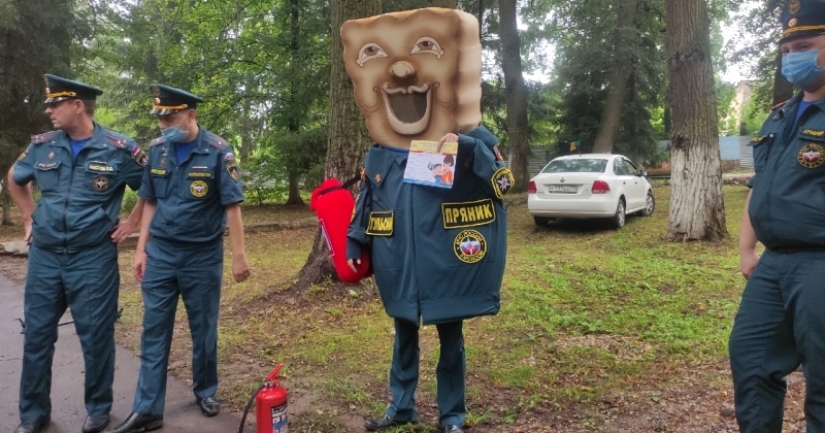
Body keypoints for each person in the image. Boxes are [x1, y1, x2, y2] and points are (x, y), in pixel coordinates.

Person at [340, 8, 514, 433]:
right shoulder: (384, 149)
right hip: (401, 263)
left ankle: (452, 415)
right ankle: (401, 407)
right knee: (404, 336)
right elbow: (369, 196)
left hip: (445, 263)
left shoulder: (474, 137)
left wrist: (467, 147)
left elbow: (503, 184)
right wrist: (355, 240)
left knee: (451, 341)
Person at [106, 84, 250, 433]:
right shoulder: (158, 150)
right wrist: (141, 249)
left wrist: (239, 256)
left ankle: (205, 390)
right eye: (160, 119)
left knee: (203, 329)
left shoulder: (218, 151)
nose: (163, 125)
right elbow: (150, 201)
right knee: (154, 331)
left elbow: (232, 205)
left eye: (170, 118)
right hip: (161, 255)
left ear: (191, 115)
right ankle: (148, 409)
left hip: (202, 256)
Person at [8, 74, 147, 433]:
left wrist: (132, 222)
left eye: (55, 104)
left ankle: (98, 408)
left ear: (78, 106)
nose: (49, 111)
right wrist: (28, 217)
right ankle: (33, 414)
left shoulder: (119, 148)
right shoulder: (42, 146)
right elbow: (15, 177)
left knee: (96, 336)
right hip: (46, 257)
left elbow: (151, 187)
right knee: (37, 335)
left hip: (93, 258)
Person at [730, 0, 825, 431]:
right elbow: (761, 184)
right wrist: (747, 248)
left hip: (819, 261)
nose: (792, 58)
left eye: (804, 47)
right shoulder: (780, 114)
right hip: (774, 264)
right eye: (787, 50)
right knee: (751, 360)